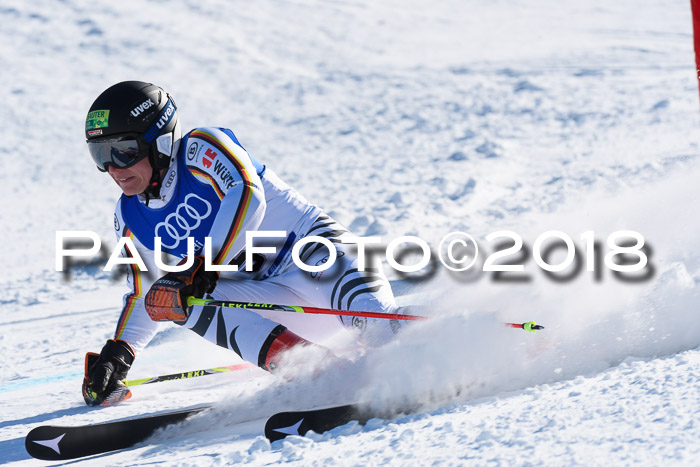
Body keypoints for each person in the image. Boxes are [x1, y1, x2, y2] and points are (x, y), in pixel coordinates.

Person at [82, 81, 402, 406]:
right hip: (281, 306)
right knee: (170, 297)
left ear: (159, 142)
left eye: (123, 151)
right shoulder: (129, 216)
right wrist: (119, 354)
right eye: (100, 155)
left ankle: (449, 341)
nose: (112, 169)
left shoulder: (201, 149)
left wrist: (203, 263)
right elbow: (144, 293)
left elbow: (247, 193)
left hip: (320, 260)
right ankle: (316, 373)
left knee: (380, 331)